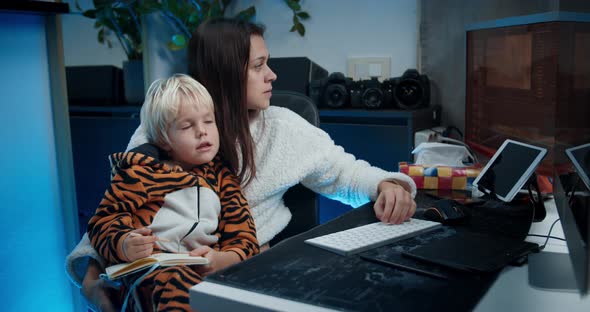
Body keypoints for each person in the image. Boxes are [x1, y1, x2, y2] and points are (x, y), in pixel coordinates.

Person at [66, 18, 417, 311]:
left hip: (244, 272)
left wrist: (386, 185)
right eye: (258, 65)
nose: (273, 76)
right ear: (226, 73)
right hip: (160, 277)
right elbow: (120, 203)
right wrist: (94, 279)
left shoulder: (283, 126)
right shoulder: (161, 129)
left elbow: (343, 171)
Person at [86, 73, 259, 311]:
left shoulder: (222, 178)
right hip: (148, 276)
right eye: (188, 126)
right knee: (175, 282)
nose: (202, 132)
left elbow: (245, 237)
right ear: (164, 140)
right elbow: (103, 222)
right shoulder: (139, 173)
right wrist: (124, 244)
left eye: (209, 121)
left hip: (203, 273)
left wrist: (221, 260)